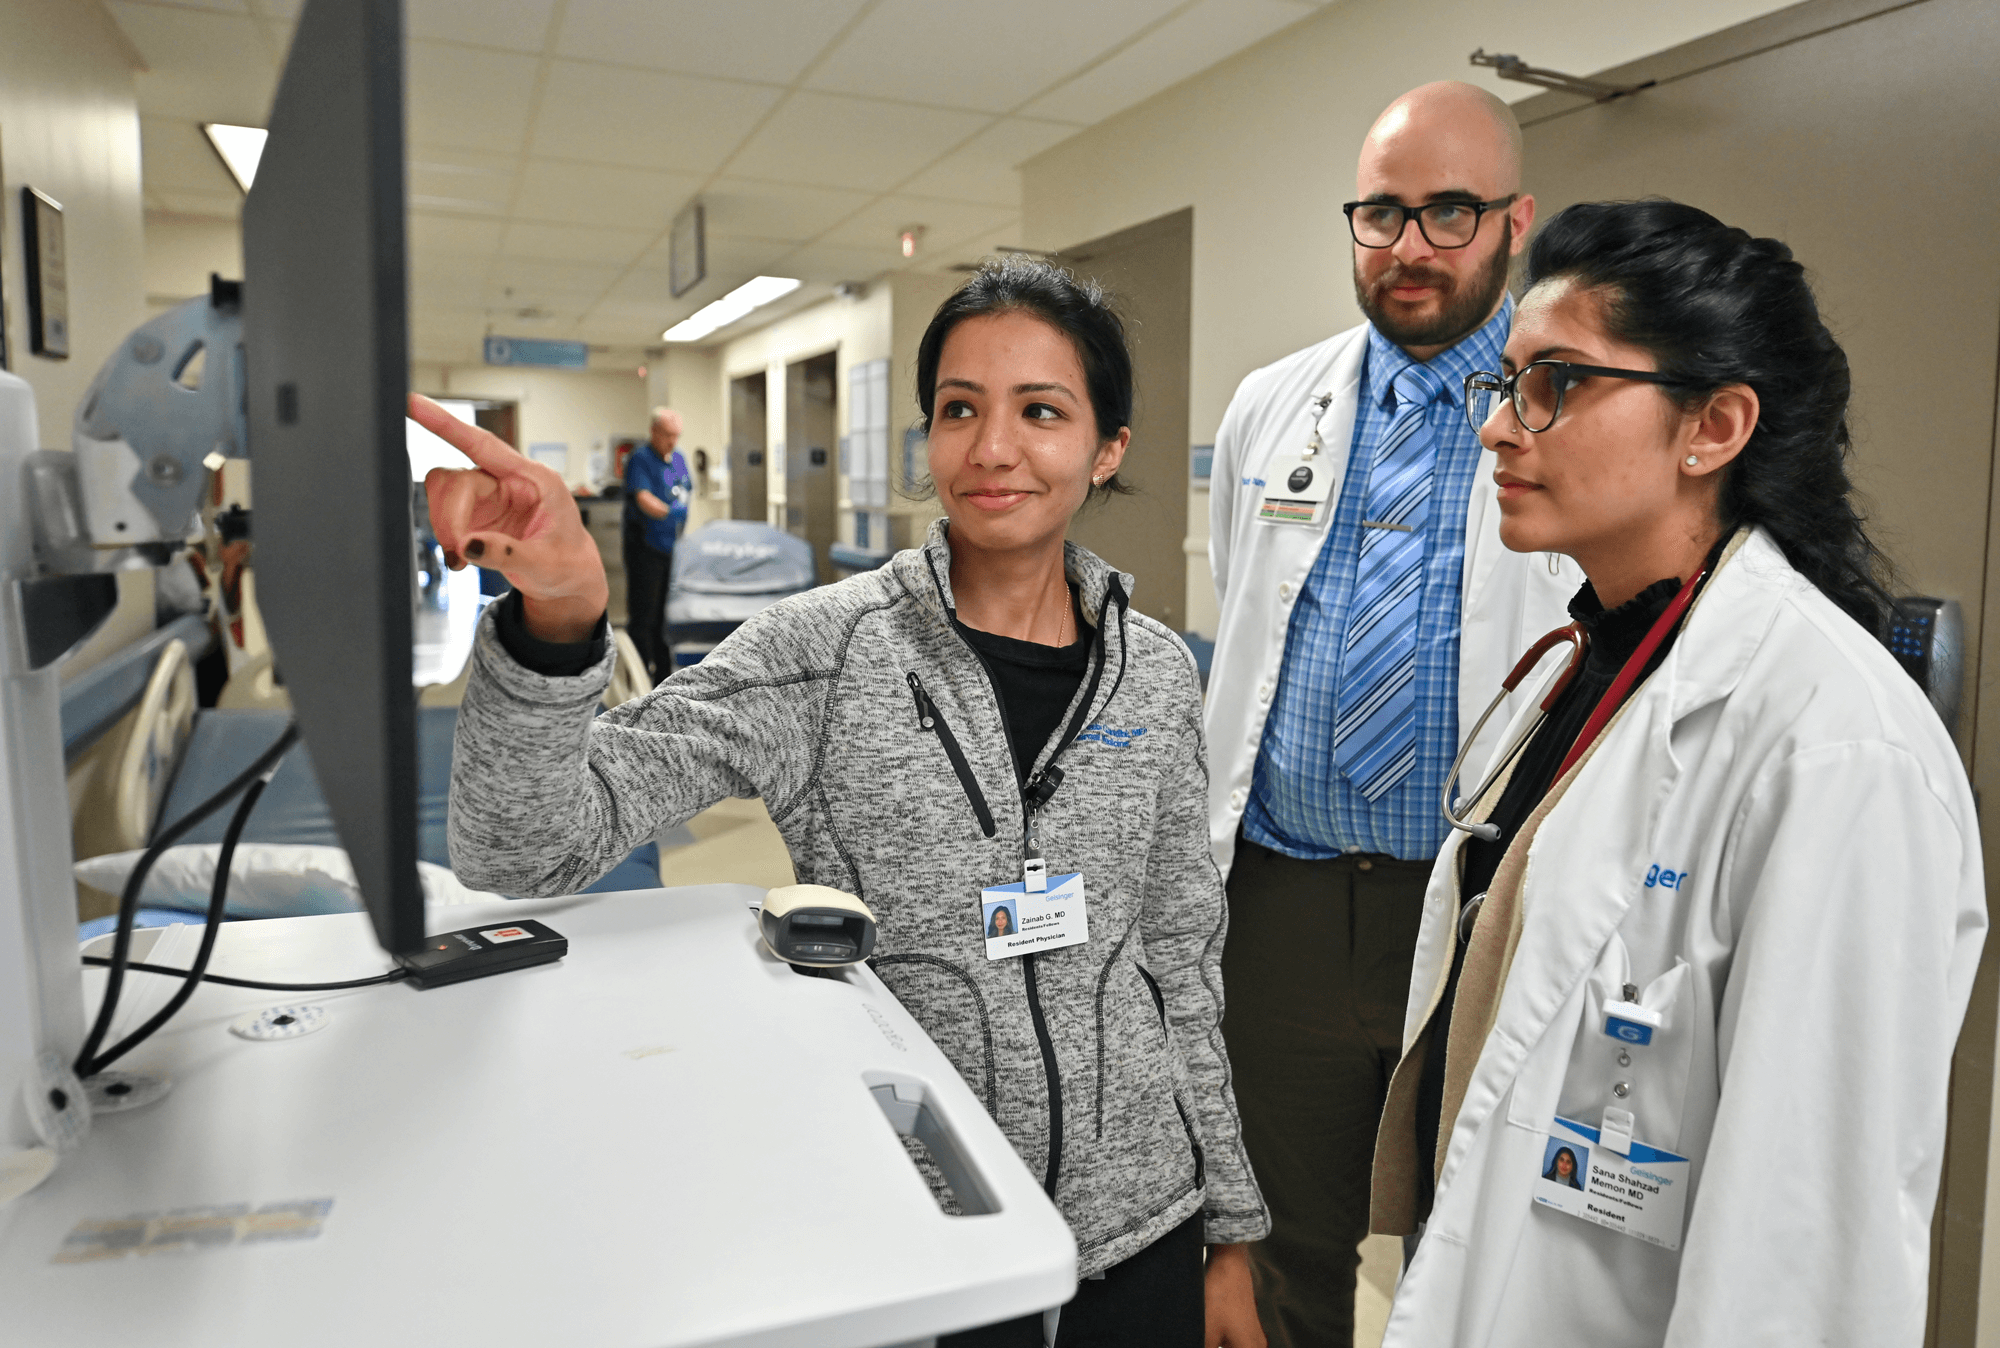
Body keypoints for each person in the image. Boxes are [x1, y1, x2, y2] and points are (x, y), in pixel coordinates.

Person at [418, 256, 1270, 1348]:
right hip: (923, 1235)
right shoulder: (826, 651)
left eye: (1040, 411)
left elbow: (1183, 963)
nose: (992, 447)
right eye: (959, 408)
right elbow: (526, 845)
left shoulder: (1151, 671)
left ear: (1107, 447)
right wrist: (562, 621)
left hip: (1142, 1230)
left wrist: (1228, 1231)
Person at [1369, 200, 1986, 1345]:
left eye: (1552, 384)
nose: (1499, 429)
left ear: (1712, 426)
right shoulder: (1601, 656)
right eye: (1501, 386)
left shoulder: (1837, 749)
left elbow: (1803, 1245)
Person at [1202, 80, 1573, 1347]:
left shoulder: (1574, 407)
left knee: (1466, 1246)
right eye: (1380, 213)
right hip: (1284, 904)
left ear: (1512, 220)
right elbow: (1242, 618)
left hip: (1472, 905)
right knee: (1274, 1242)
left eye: (1447, 212)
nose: (1407, 246)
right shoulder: (1271, 403)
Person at [622, 406, 692, 680]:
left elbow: (686, 489)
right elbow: (642, 498)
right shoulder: (640, 459)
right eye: (667, 435)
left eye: (676, 436)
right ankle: (639, 675)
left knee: (666, 616)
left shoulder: (679, 459)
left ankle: (663, 675)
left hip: (670, 548)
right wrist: (668, 512)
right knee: (644, 616)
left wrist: (680, 513)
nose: (672, 441)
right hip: (645, 548)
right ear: (654, 432)